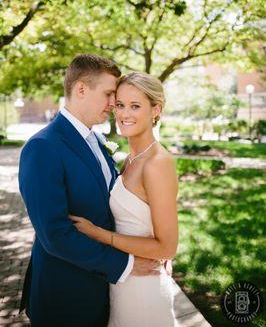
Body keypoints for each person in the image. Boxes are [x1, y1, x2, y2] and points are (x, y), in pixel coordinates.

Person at [19, 54, 160, 327]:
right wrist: (126, 265)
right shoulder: (43, 147)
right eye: (109, 94)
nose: (113, 104)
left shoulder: (96, 138)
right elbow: (55, 235)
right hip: (66, 299)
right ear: (81, 89)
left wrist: (152, 249)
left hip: (103, 295)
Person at [70, 71, 179, 327]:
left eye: (135, 106)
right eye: (119, 105)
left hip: (144, 290)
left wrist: (100, 235)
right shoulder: (132, 159)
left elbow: (167, 247)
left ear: (156, 110)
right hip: (123, 281)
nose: (124, 114)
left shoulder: (156, 163)